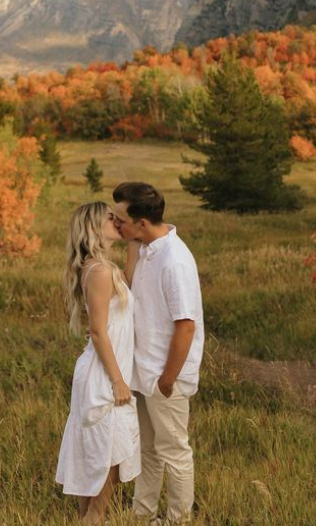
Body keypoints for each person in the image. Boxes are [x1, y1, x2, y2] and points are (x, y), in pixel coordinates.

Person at [112, 182, 204, 525]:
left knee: (175, 452)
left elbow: (186, 325)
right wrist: (131, 245)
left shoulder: (174, 260)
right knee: (148, 451)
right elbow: (132, 285)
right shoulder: (148, 248)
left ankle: (178, 520)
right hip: (144, 371)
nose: (116, 223)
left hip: (166, 376)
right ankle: (143, 515)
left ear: (142, 222)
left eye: (121, 219)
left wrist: (168, 379)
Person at [56, 201, 141, 525]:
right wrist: (119, 380)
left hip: (103, 367)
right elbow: (98, 331)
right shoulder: (101, 271)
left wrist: (133, 240)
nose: (117, 221)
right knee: (107, 449)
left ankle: (89, 517)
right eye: (110, 218)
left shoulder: (102, 268)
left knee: (97, 447)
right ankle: (94, 517)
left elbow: (127, 288)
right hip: (104, 371)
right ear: (94, 226)